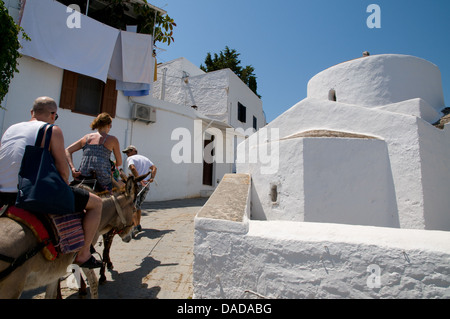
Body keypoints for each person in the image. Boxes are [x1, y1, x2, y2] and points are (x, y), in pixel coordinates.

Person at [0, 97, 103, 268]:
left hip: (2, 192)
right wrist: (66, 187)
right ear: (53, 114)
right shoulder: (51, 130)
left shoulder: (11, 129)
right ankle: (84, 254)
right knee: (96, 203)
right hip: (30, 192)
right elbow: (63, 169)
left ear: (32, 113)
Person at [65, 112, 122, 191]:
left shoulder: (86, 137)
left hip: (83, 178)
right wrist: (112, 163)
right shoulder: (113, 139)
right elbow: (119, 162)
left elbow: (67, 150)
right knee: (118, 196)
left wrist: (72, 168)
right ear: (109, 125)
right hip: (103, 180)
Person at [121, 145, 157, 237]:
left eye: (128, 152)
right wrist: (151, 178)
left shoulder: (131, 158)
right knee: (138, 205)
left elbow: (132, 168)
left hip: (137, 185)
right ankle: (138, 225)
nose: (127, 154)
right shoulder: (145, 158)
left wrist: (139, 179)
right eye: (126, 153)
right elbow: (154, 168)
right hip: (146, 185)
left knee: (132, 205)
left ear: (134, 151)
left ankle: (134, 226)